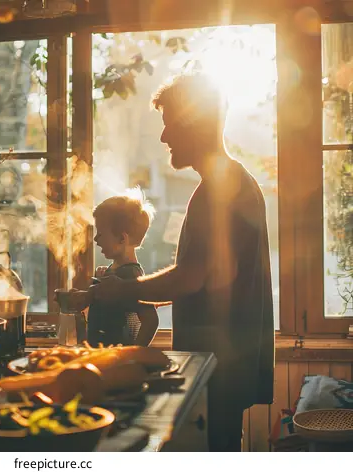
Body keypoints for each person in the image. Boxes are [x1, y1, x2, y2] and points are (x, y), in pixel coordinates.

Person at [67, 74, 275, 451]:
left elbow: (190, 279)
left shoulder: (218, 190)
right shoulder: (228, 182)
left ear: (193, 125)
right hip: (227, 362)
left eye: (169, 127)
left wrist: (118, 292)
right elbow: (202, 280)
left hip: (221, 363)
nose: (163, 138)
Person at [86, 194, 159, 347]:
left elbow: (151, 320)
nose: (96, 240)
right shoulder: (113, 271)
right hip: (104, 357)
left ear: (122, 238)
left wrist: (134, 353)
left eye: (100, 234)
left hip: (117, 359)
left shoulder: (131, 275)